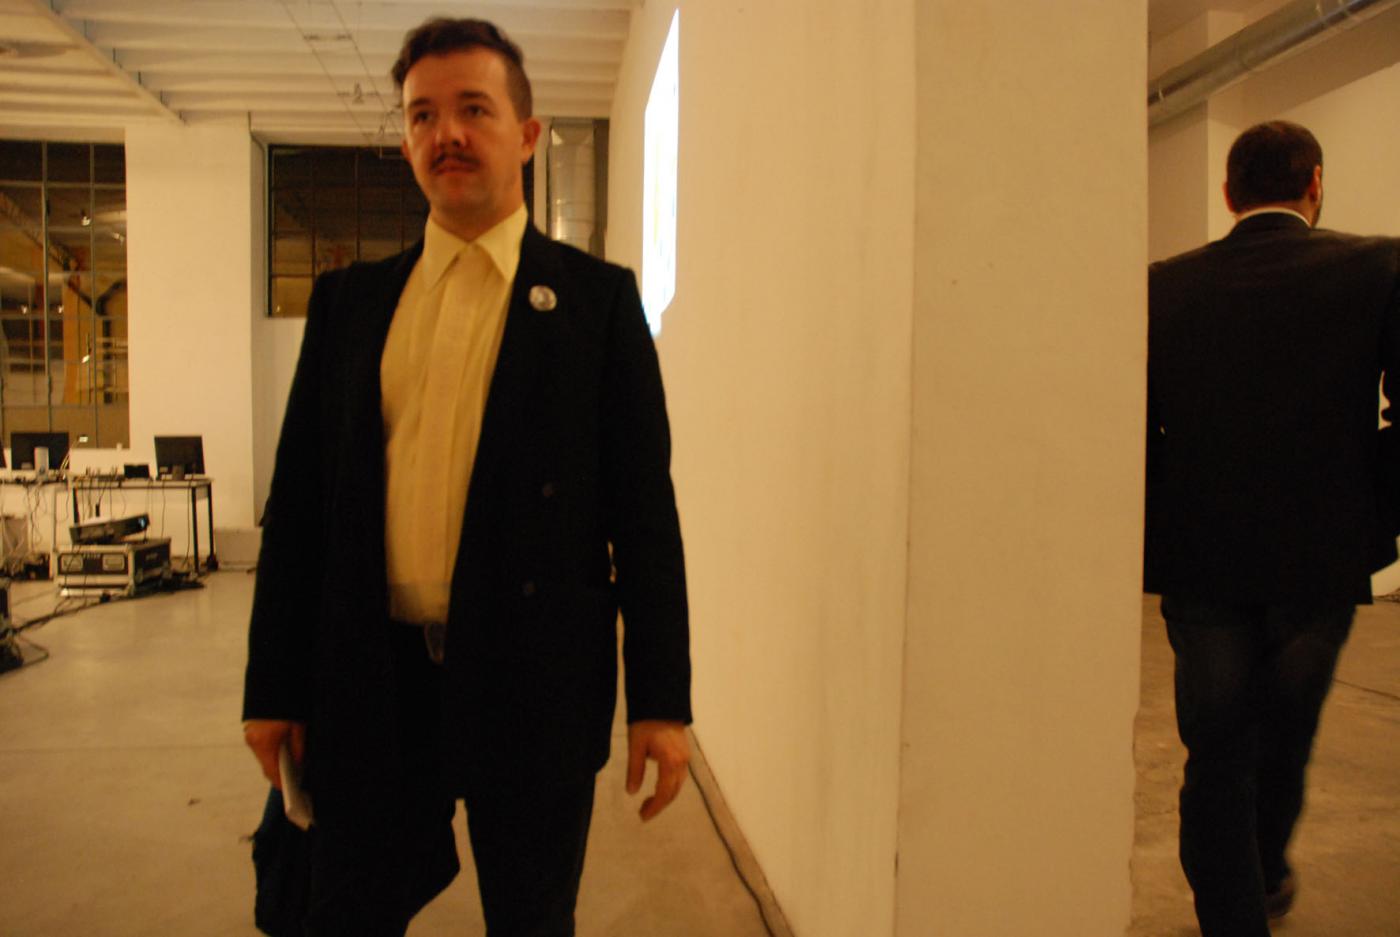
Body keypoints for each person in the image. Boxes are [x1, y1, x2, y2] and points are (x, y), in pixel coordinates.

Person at [241, 17, 692, 937]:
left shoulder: (598, 303)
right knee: (344, 916)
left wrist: (661, 701)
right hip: (372, 682)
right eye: (422, 115)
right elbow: (298, 512)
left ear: (525, 135)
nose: (445, 133)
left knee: (532, 921)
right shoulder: (350, 304)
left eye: (473, 109)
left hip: (533, 680)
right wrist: (272, 688)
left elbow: (645, 516)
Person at [1145, 120, 1400, 936]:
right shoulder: (1380, 267)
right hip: (1323, 557)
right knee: (1287, 734)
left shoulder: (1164, 285)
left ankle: (1237, 912)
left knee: (1217, 749)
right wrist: (1376, 508)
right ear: (1314, 183)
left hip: (1203, 557)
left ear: (1229, 194)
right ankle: (1265, 869)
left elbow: (1139, 429)